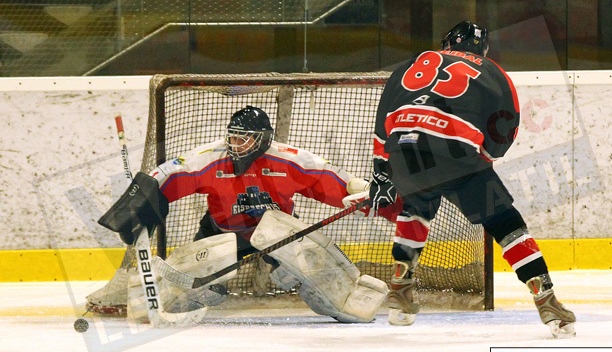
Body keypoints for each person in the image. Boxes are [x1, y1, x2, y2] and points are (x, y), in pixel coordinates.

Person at [91, 106, 428, 323]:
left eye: (245, 139)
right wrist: (142, 198)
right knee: (198, 291)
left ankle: (349, 296)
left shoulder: (290, 159)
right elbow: (167, 174)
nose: (236, 145)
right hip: (221, 233)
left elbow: (336, 181)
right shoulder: (210, 158)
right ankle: (144, 294)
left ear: (263, 139)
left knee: (319, 277)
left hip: (278, 235)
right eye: (233, 138)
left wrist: (367, 192)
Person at [368, 20, 576, 337]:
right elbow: (505, 127)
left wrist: (381, 172)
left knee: (416, 206)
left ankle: (400, 288)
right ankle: (546, 301)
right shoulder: (492, 70)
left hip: (402, 152)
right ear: (483, 49)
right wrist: (482, 160)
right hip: (455, 154)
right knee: (505, 223)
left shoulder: (416, 61)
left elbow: (383, 118)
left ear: (448, 43)